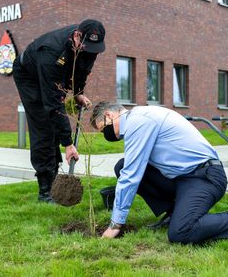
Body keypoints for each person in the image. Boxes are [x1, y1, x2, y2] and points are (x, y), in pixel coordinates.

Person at [90, 102, 228, 244]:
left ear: (109, 115)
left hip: (204, 176)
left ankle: (182, 219)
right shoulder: (138, 116)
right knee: (122, 166)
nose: (105, 134)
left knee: (180, 232)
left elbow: (131, 176)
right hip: (182, 177)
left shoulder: (138, 121)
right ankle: (174, 213)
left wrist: (115, 224)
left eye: (103, 129)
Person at [13, 19, 105, 203]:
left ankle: (54, 175)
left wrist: (78, 92)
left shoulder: (90, 46)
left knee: (53, 124)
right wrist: (68, 143)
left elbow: (82, 69)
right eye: (87, 47)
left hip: (53, 74)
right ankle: (45, 191)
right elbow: (53, 105)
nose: (91, 52)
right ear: (77, 36)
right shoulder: (51, 52)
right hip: (29, 76)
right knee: (44, 126)